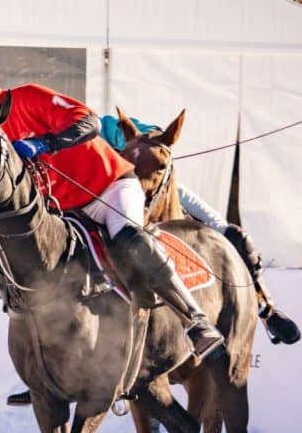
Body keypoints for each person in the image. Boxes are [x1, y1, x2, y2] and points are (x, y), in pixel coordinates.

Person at [0, 48, 225, 407]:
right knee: (31, 275)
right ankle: (50, 376)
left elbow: (89, 123)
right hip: (63, 211)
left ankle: (196, 322)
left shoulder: (27, 98)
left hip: (109, 187)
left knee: (129, 240)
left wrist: (44, 143)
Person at [100, 114, 300, 345]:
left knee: (231, 233)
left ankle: (267, 309)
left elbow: (155, 134)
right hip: (114, 196)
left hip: (156, 185)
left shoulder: (107, 125)